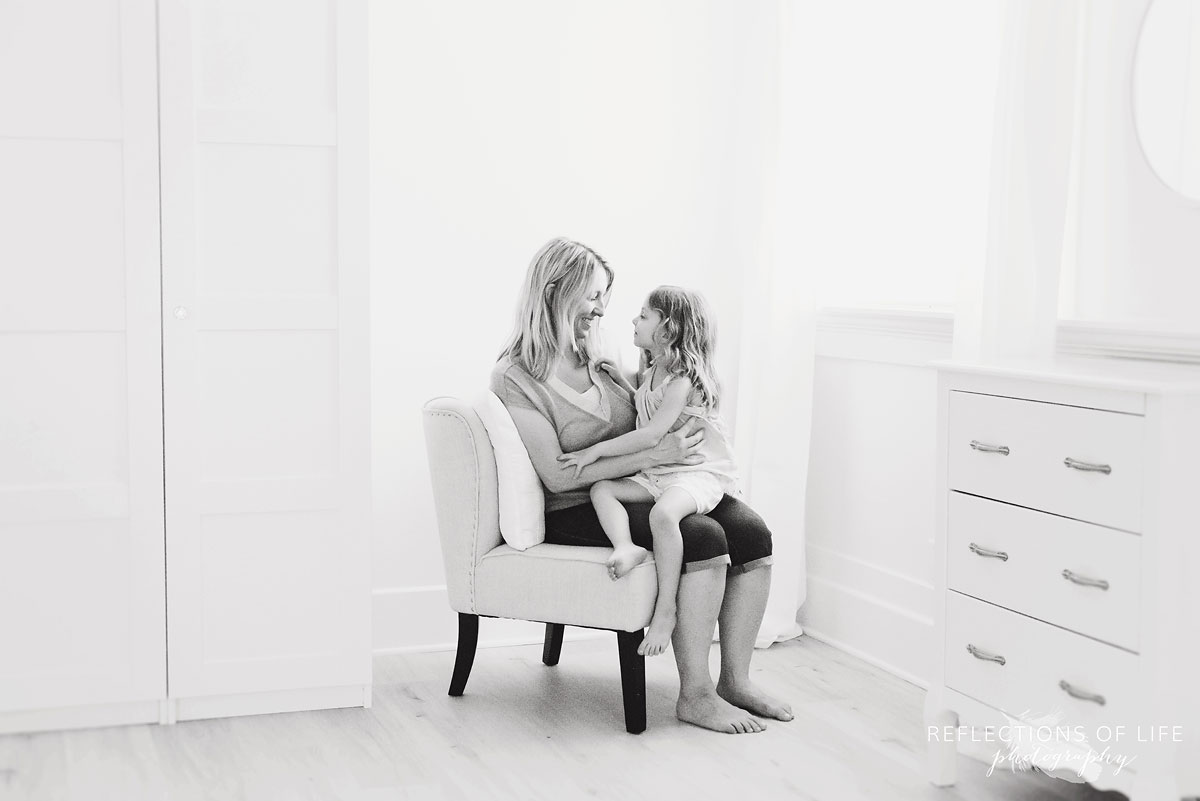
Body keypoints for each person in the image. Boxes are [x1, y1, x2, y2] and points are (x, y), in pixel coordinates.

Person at [490, 237, 793, 734]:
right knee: (702, 537)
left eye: (604, 297)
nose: (601, 310)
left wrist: (673, 446)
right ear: (555, 291)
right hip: (578, 503)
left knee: (753, 532)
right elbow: (557, 473)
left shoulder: (598, 353)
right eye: (592, 296)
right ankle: (694, 695)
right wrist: (655, 454)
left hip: (644, 478)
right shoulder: (515, 376)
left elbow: (650, 404)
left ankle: (735, 681)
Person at [557, 286, 739, 659]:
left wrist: (593, 451)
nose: (633, 320)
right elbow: (646, 404)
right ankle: (626, 546)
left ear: (668, 330)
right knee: (603, 490)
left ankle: (665, 609)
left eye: (643, 315)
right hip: (660, 470)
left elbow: (652, 433)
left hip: (694, 472)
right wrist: (621, 382)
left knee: (663, 514)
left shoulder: (683, 381)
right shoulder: (653, 369)